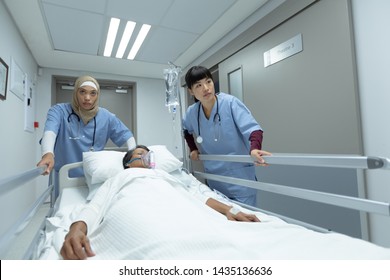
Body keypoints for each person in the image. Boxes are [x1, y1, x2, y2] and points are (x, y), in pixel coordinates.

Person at [60, 145, 260, 260]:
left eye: (149, 154)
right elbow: (95, 206)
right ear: (128, 162)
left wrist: (230, 209)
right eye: (140, 154)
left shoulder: (164, 175)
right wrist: (76, 230)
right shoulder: (119, 178)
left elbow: (195, 196)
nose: (146, 157)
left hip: (177, 208)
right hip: (136, 207)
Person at [182, 66, 271, 207]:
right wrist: (193, 149)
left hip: (240, 179)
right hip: (214, 180)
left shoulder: (230, 103)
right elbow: (186, 130)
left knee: (246, 221)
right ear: (191, 91)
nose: (206, 88)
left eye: (208, 81)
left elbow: (254, 129)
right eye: (199, 85)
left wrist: (254, 148)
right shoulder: (192, 112)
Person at [37, 75, 136, 196]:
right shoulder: (59, 111)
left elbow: (127, 136)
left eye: (93, 93)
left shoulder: (106, 116)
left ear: (97, 95)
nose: (87, 98)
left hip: (94, 178)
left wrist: (133, 156)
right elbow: (50, 132)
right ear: (75, 92)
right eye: (82, 92)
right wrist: (47, 153)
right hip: (64, 178)